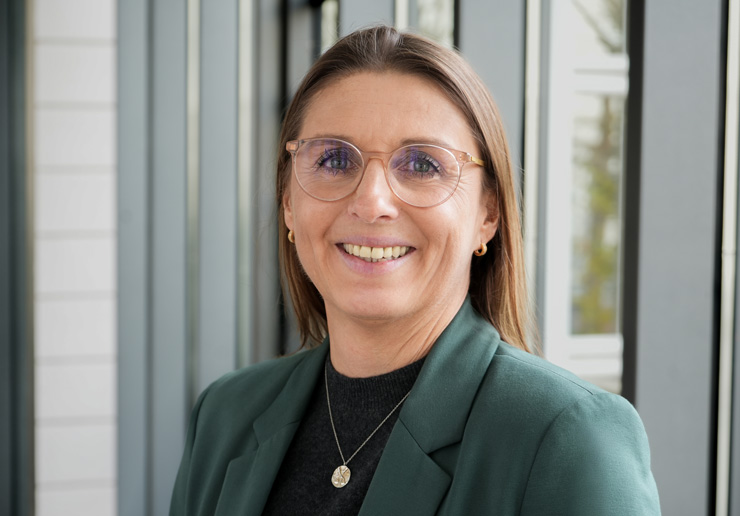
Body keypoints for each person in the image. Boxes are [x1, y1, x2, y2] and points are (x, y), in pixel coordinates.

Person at [169, 25, 660, 515]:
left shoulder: (568, 437)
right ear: (288, 203)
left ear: (488, 214)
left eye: (423, 165)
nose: (371, 202)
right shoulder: (225, 416)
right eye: (335, 159)